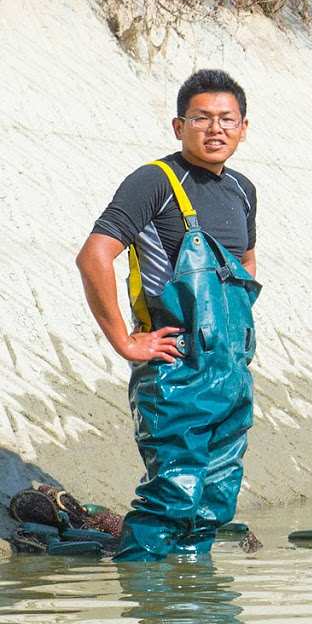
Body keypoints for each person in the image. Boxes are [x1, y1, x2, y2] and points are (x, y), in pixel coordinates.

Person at [76, 69, 260, 561]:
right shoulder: (155, 181)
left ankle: (193, 595)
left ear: (244, 128)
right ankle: (146, 589)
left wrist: (234, 342)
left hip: (230, 373)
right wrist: (126, 341)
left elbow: (245, 266)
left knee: (215, 502)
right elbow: (94, 255)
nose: (215, 128)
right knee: (171, 496)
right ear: (179, 126)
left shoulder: (243, 190)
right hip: (175, 371)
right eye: (201, 117)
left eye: (227, 119)